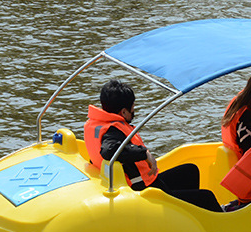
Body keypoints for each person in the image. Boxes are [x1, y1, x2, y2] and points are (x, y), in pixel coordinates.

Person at [84, 79, 223, 212]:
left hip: (148, 182)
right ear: (124, 112)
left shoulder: (98, 124)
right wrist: (144, 153)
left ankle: (187, 216)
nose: (134, 109)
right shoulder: (113, 130)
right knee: (207, 197)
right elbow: (109, 150)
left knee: (190, 171)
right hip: (144, 191)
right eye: (132, 106)